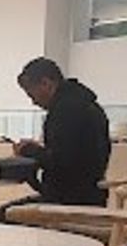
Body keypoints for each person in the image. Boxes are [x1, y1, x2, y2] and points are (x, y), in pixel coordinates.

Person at [14, 58, 110, 207]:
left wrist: (30, 151)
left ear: (46, 83)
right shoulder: (87, 104)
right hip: (92, 198)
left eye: (32, 95)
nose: (34, 102)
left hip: (68, 202)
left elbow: (61, 164)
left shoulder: (64, 112)